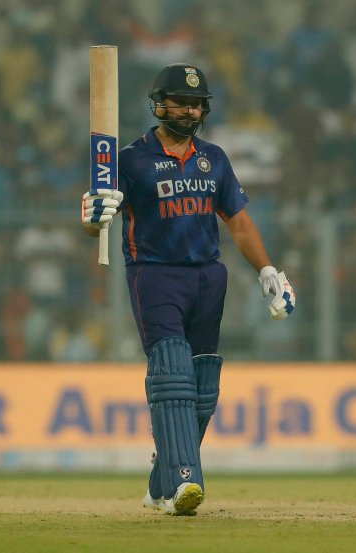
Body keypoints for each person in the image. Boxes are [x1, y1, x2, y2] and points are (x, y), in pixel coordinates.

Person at [81, 63, 296, 514]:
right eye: (181, 101)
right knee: (173, 373)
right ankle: (185, 483)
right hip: (155, 274)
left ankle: (162, 477)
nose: (190, 109)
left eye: (197, 102)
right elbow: (98, 217)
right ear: (160, 104)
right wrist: (93, 214)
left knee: (202, 388)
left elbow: (238, 223)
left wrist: (268, 271)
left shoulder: (214, 158)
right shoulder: (130, 159)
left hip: (208, 277)